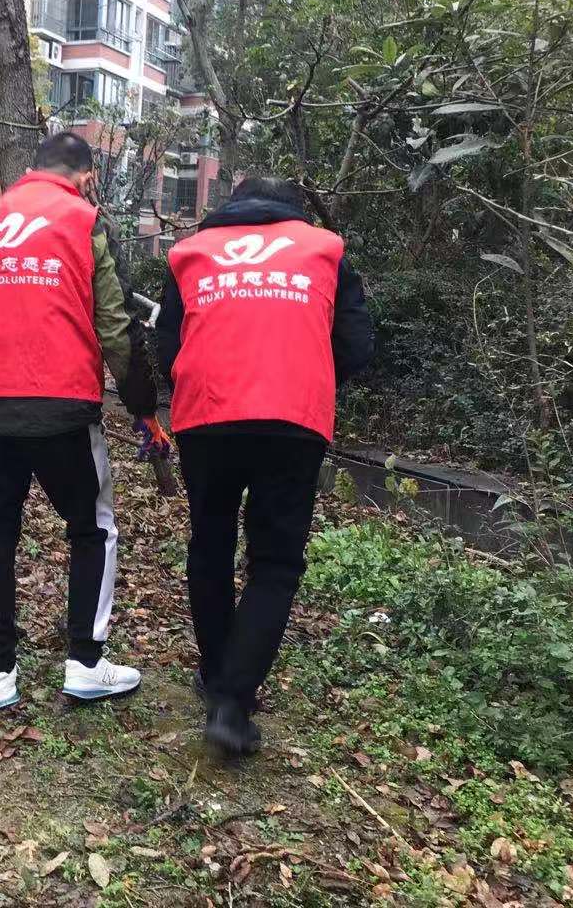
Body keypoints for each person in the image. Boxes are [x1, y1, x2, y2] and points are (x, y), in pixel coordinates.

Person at [156, 176, 374, 756]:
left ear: (232, 208)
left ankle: (216, 676)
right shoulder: (326, 250)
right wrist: (304, 370)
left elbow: (167, 346)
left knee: (210, 546)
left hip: (206, 414)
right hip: (293, 418)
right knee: (275, 562)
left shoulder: (191, 253)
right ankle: (233, 702)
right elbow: (357, 348)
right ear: (295, 212)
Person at [0, 132, 161, 710]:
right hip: (63, 410)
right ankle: (85, 663)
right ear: (86, 177)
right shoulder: (85, 221)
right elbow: (115, 327)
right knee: (92, 527)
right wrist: (143, 405)